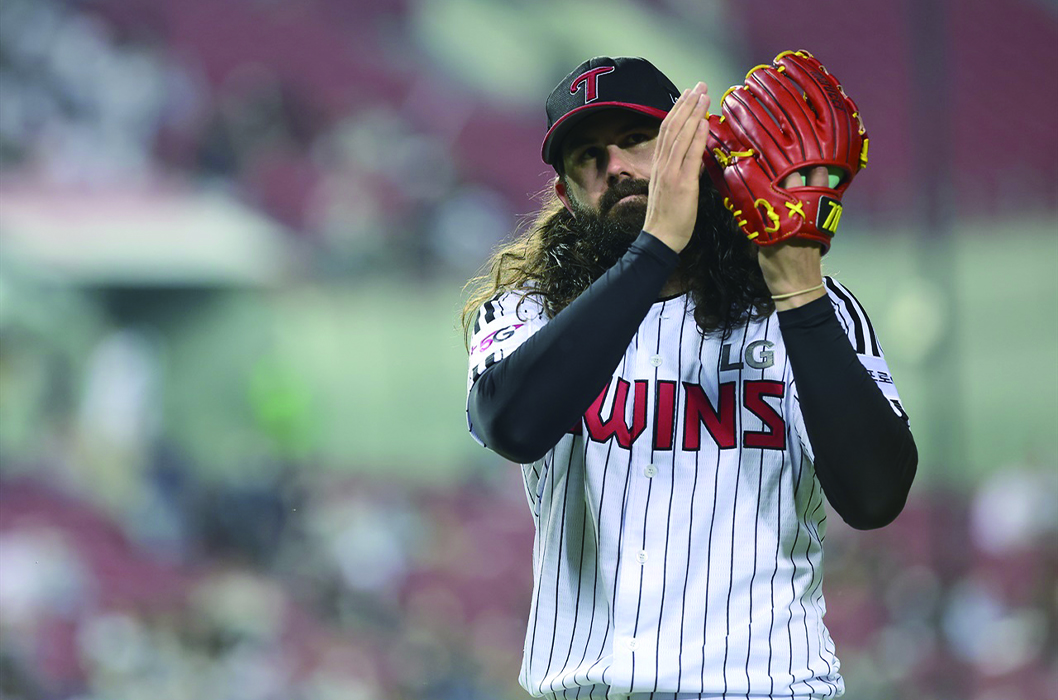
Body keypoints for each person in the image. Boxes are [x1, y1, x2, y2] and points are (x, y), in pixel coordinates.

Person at [461, 55, 917, 699]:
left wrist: (800, 294)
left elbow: (875, 498)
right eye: (589, 156)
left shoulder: (808, 306)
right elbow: (512, 425)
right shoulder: (529, 309)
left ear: (698, 150)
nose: (617, 166)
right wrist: (657, 246)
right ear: (566, 195)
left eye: (637, 139)